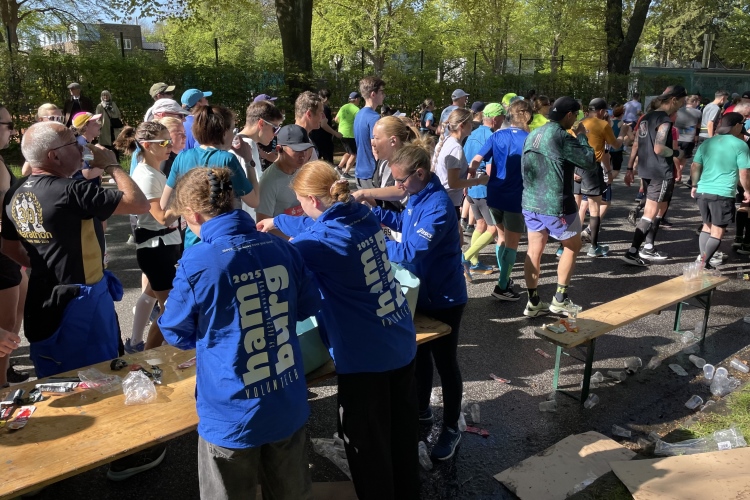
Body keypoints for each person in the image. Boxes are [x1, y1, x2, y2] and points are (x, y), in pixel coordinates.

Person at [257, 161, 419, 499]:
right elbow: (312, 222)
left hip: (366, 358)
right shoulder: (360, 214)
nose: (300, 208)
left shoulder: (317, 244)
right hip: (400, 338)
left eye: (300, 201)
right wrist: (277, 221)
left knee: (366, 448)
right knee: (401, 436)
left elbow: (282, 258)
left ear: (312, 200)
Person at [158, 167, 320, 500]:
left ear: (193, 214)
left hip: (231, 412)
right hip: (285, 400)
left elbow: (174, 330)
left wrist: (217, 337)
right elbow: (306, 307)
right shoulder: (283, 248)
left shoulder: (198, 260)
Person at [370, 143, 467, 461]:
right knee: (419, 356)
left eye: (400, 180)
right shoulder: (417, 194)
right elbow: (404, 224)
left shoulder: (438, 206)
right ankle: (422, 410)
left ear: (420, 173)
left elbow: (410, 250)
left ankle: (451, 427)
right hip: (420, 293)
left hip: (445, 298)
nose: (397, 186)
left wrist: (374, 243)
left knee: (446, 364)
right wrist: (373, 213)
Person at [521, 97, 596, 316]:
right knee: (573, 246)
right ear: (569, 115)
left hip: (530, 201)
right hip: (556, 204)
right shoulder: (563, 136)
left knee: (534, 250)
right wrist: (582, 135)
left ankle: (533, 302)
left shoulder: (534, 133)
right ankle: (560, 299)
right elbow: (589, 161)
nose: (577, 119)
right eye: (577, 115)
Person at [115, 122, 182, 351]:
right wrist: (187, 199)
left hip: (164, 246)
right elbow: (162, 218)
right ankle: (146, 354)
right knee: (170, 310)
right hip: (157, 249)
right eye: (163, 142)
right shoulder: (146, 175)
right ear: (146, 145)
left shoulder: (154, 172)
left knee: (153, 297)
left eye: (169, 141)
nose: (169, 146)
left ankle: (136, 343)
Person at [160, 105, 259, 249]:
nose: (234, 135)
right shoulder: (227, 159)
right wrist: (249, 161)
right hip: (224, 240)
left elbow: (164, 205)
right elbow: (254, 201)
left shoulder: (182, 157)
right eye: (232, 130)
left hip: (193, 242)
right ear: (223, 132)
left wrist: (191, 207)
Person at [470, 100, 533, 300]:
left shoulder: (496, 135)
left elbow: (477, 160)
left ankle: (504, 277)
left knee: (501, 238)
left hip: (494, 194)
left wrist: (470, 177)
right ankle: (502, 286)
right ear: (528, 116)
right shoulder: (529, 139)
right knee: (512, 243)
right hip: (515, 196)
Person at [622, 85, 688, 266]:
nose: (682, 105)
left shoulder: (646, 117)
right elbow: (659, 148)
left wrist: (630, 168)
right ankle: (633, 251)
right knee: (651, 212)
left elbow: (636, 143)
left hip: (646, 170)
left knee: (658, 209)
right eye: (682, 101)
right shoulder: (664, 120)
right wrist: (676, 153)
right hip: (660, 171)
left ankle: (649, 247)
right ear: (674, 100)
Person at [691, 112, 750, 267]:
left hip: (703, 190)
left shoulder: (707, 143)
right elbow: (744, 172)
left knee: (707, 227)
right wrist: (747, 190)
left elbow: (695, 166)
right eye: (742, 125)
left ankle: (703, 261)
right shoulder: (740, 145)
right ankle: (704, 264)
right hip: (722, 193)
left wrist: (695, 185)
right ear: (736, 126)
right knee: (717, 232)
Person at [431, 108, 488, 258]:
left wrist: (467, 169)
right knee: (453, 243)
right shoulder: (455, 148)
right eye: (470, 123)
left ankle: (459, 266)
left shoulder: (446, 142)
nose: (473, 126)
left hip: (443, 200)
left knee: (456, 242)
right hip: (448, 202)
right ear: (462, 125)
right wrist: (479, 181)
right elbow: (453, 183)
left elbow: (448, 171)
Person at [577, 98, 629, 257]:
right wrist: (623, 132)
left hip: (576, 168)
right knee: (595, 208)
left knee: (578, 206)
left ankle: (567, 245)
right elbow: (615, 145)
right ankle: (594, 247)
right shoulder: (602, 125)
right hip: (593, 168)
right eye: (605, 110)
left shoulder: (578, 123)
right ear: (600, 111)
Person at [0, 104, 29, 387]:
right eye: (8, 125)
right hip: (1, 251)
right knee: (5, 325)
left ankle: (5, 368)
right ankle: (2, 387)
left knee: (21, 304)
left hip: (8, 248)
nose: (12, 130)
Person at [462, 103, 504, 282]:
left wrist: (465, 185)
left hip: (470, 186)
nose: (503, 121)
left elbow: (465, 162)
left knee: (480, 225)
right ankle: (465, 258)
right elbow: (489, 169)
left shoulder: (472, 134)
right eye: (502, 117)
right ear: (495, 119)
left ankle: (475, 263)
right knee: (493, 229)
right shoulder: (492, 137)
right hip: (484, 189)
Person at [231, 100, 284, 221]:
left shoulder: (236, 141)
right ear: (261, 123)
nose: (276, 135)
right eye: (275, 129)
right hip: (247, 220)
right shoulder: (248, 145)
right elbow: (249, 192)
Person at [256, 125, 316, 226]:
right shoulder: (268, 182)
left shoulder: (303, 172)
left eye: (305, 149)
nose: (303, 155)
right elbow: (262, 226)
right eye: (297, 150)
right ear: (279, 149)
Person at [354, 76, 386, 189]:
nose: (383, 95)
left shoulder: (359, 114)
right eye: (381, 92)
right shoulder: (374, 117)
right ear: (373, 94)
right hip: (371, 172)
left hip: (359, 171)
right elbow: (375, 148)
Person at [675, 95, 703, 182]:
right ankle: (679, 173)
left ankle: (677, 173)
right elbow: (698, 126)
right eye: (697, 102)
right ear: (694, 102)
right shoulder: (698, 112)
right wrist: (696, 136)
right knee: (684, 157)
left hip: (677, 137)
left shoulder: (678, 110)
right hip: (689, 138)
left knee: (675, 156)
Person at [309, 89, 341, 163]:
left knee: (315, 160)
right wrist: (336, 133)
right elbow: (323, 125)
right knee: (328, 162)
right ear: (326, 98)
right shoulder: (324, 108)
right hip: (324, 139)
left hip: (314, 136)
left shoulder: (314, 107)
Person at [335, 92, 361, 176]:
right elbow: (359, 122)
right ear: (356, 99)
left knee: (349, 152)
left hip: (341, 132)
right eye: (359, 99)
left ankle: (339, 167)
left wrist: (343, 123)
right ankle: (345, 172)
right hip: (350, 134)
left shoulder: (343, 107)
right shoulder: (356, 109)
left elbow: (336, 119)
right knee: (354, 154)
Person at [95, 90, 123, 159]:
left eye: (107, 95)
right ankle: (107, 160)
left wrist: (117, 121)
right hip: (105, 128)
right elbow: (97, 117)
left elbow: (118, 114)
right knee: (106, 145)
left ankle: (116, 159)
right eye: (104, 95)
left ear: (109, 96)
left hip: (114, 128)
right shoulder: (100, 106)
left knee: (115, 144)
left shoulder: (113, 104)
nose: (105, 97)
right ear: (101, 97)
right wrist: (98, 127)